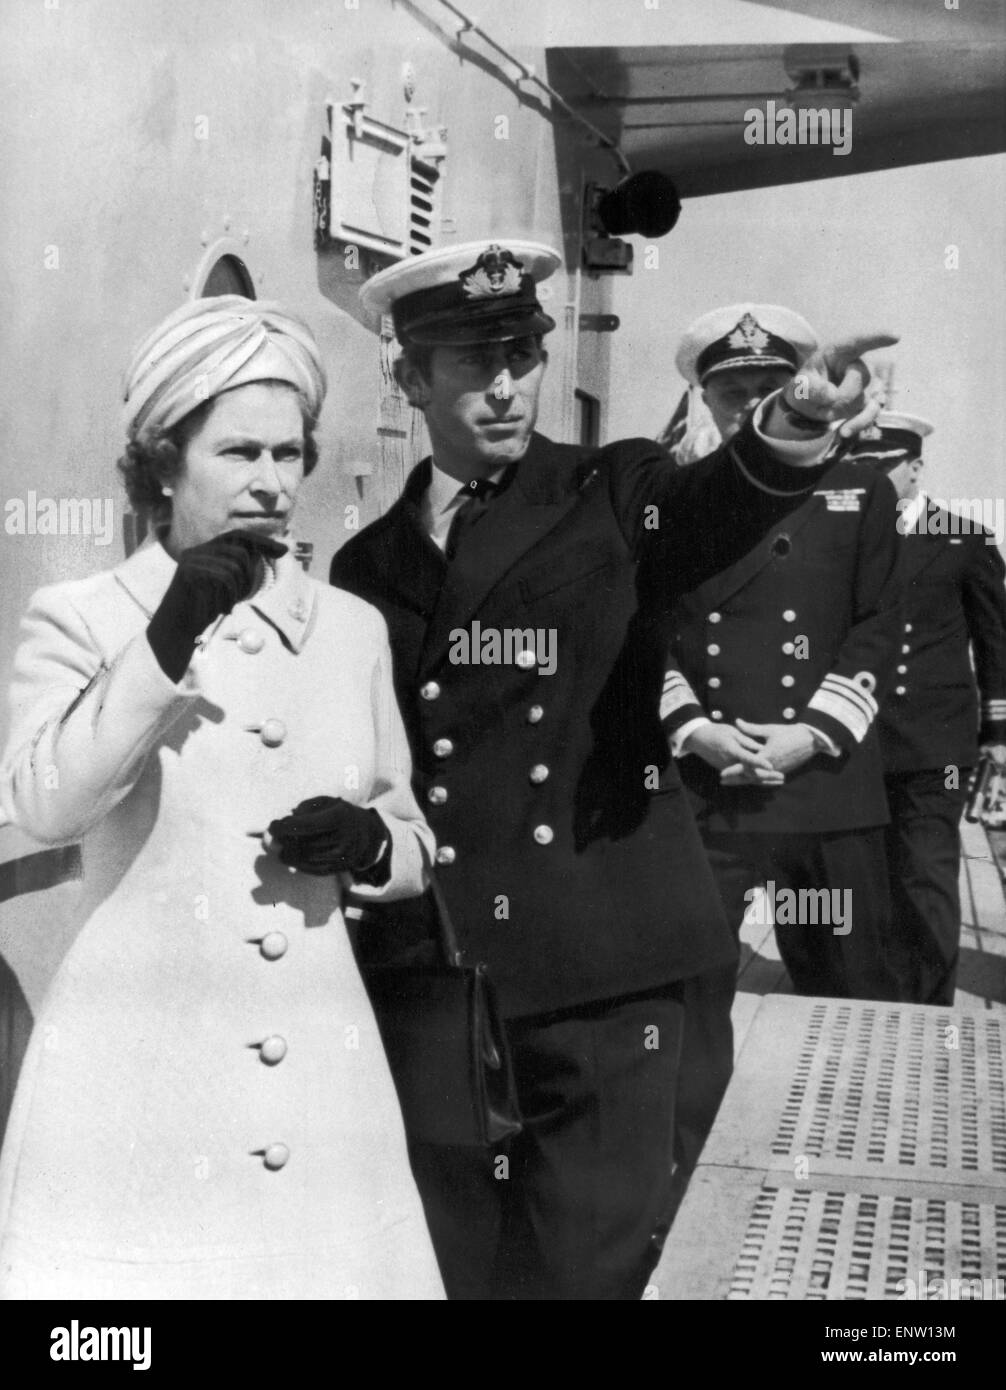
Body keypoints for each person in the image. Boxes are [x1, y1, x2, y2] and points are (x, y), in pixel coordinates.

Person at [329, 239, 894, 1299]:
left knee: (584, 1269)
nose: (505, 386)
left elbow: (711, 506)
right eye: (470, 362)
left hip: (601, 961)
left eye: (522, 356)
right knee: (458, 1260)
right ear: (408, 378)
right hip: (440, 972)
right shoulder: (365, 566)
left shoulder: (612, 486)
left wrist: (793, 425)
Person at [0, 296, 444, 1300]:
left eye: (289, 455)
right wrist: (166, 638)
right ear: (163, 462)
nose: (271, 483)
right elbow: (45, 805)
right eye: (239, 452)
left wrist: (372, 842)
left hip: (320, 1062)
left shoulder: (350, 630)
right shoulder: (82, 617)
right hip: (141, 1070)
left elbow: (415, 838)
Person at [659, 303, 907, 1000]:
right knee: (686, 1000)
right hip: (707, 789)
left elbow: (879, 624)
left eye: (767, 387)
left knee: (852, 998)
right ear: (702, 398)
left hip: (824, 791)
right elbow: (636, 625)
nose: (747, 406)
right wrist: (695, 730)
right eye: (731, 391)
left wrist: (813, 733)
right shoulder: (671, 500)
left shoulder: (861, 493)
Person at [848, 412, 1006, 1004]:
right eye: (860, 467)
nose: (871, 479)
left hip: (933, 741)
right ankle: (870, 1001)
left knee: (926, 875)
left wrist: (999, 733)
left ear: (915, 468)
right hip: (853, 738)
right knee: (863, 879)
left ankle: (927, 1011)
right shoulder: (841, 536)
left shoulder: (963, 538)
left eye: (883, 467)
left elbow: (997, 641)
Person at [658, 302, 818, 462]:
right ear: (708, 402)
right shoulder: (693, 483)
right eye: (734, 393)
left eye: (769, 390)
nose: (754, 404)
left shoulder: (837, 475)